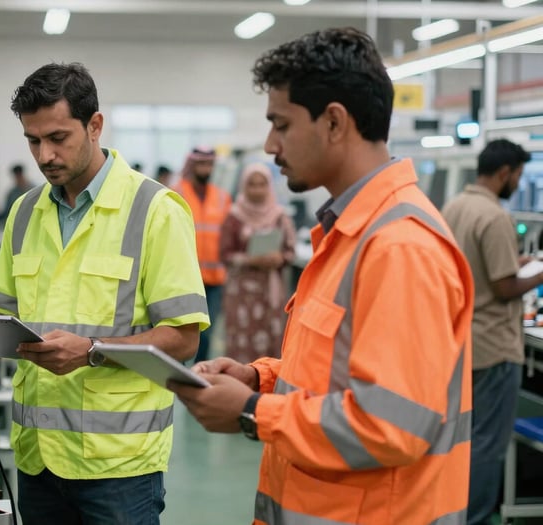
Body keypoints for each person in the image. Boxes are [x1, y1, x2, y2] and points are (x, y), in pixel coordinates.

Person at [170, 27, 475, 525]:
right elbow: (335, 371)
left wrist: (251, 411)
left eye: (281, 124)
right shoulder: (350, 234)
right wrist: (260, 380)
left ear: (334, 122)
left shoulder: (399, 247)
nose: (270, 145)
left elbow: (392, 424)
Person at [0, 62, 209, 525]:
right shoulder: (23, 213)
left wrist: (93, 351)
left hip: (118, 465)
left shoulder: (155, 211)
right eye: (33, 141)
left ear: (95, 125)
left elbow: (183, 339)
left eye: (58, 138)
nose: (44, 156)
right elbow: (1, 313)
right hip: (37, 457)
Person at [441, 138, 534, 525]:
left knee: (463, 440)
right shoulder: (495, 217)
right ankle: (476, 518)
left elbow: (476, 267)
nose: (517, 182)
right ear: (504, 173)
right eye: (518, 176)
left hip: (461, 343)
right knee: (487, 445)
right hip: (494, 347)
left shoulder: (454, 207)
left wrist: (519, 261)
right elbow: (504, 287)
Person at [220, 162, 296, 363]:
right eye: (252, 184)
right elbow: (224, 254)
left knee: (272, 340)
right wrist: (251, 260)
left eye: (262, 184)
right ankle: (240, 390)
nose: (257, 190)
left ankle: (268, 387)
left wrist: (279, 258)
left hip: (270, 292)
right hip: (242, 293)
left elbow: (290, 251)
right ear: (244, 186)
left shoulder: (279, 216)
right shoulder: (234, 216)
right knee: (242, 341)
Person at [173, 146, 232, 363]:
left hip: (215, 278)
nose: (206, 168)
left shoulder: (222, 198)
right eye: (201, 164)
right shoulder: (176, 192)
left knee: (207, 332)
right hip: (184, 277)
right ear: (192, 164)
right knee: (181, 331)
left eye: (209, 164)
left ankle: (201, 374)